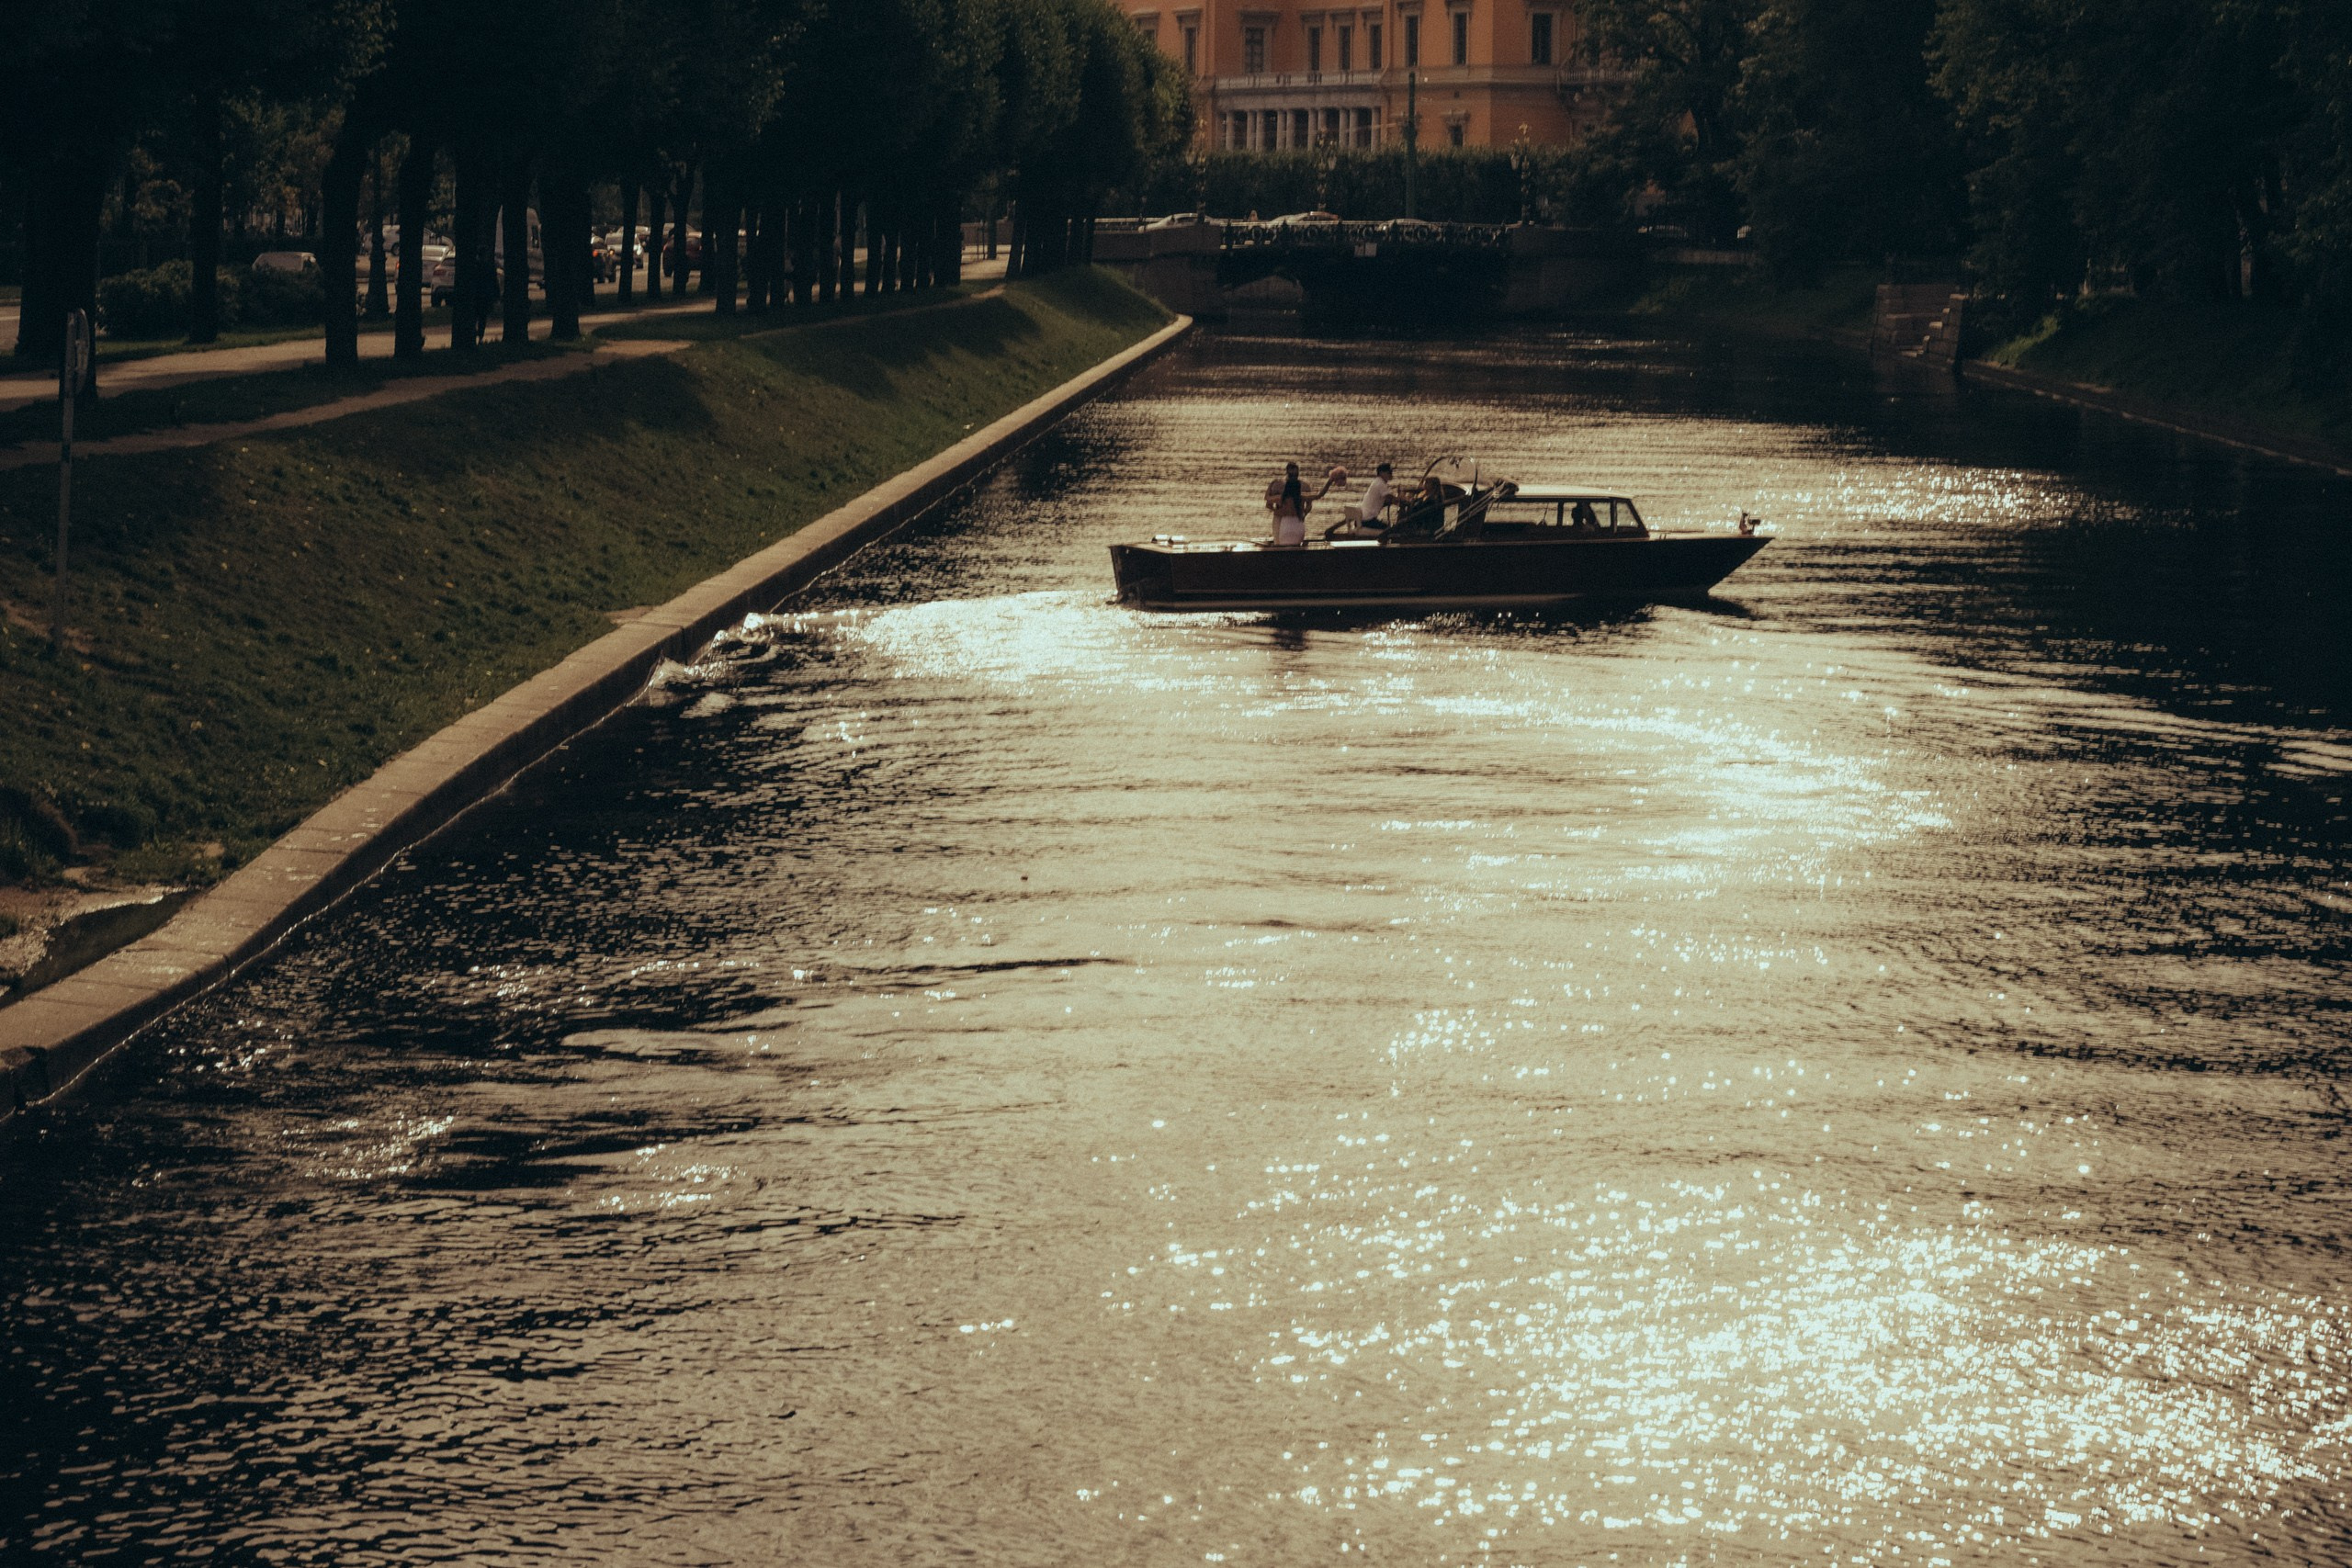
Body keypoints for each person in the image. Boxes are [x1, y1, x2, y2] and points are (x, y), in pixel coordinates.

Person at [1264, 462, 1339, 547]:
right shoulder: (1301, 497)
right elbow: (1319, 495)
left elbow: (1267, 498)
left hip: (1285, 526)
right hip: (1299, 525)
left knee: (1282, 549)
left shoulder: (1281, 498)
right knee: (1297, 547)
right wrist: (1330, 481)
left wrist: (1271, 484)